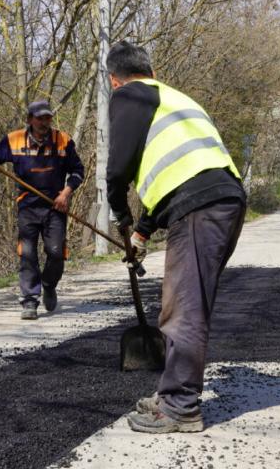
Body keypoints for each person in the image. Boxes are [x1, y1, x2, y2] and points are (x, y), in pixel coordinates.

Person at [105, 41, 246, 433]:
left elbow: (117, 169)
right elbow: (179, 168)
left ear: (115, 80)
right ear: (150, 70)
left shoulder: (128, 94)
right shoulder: (176, 99)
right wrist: (141, 231)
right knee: (186, 300)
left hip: (201, 207)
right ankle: (172, 390)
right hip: (220, 199)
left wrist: (119, 212)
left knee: (185, 307)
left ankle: (180, 405)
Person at [0, 100, 84, 320]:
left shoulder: (63, 141)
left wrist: (65, 194)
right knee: (27, 254)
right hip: (28, 207)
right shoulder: (14, 140)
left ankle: (49, 284)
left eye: (48, 118)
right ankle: (30, 301)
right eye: (40, 118)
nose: (44, 122)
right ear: (29, 119)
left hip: (55, 207)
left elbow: (78, 171)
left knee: (55, 254)